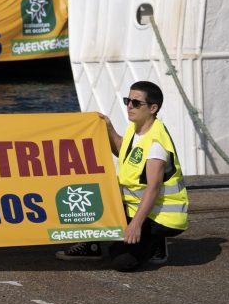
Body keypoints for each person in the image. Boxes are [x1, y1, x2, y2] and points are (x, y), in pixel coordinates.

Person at [56, 80, 188, 271]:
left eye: (136, 103)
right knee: (89, 196)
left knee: (122, 262)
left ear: (153, 108)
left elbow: (153, 187)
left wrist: (135, 225)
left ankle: (155, 241)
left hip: (162, 217)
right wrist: (108, 128)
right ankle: (94, 246)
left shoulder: (156, 145)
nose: (129, 106)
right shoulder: (137, 129)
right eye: (128, 100)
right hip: (134, 207)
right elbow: (122, 150)